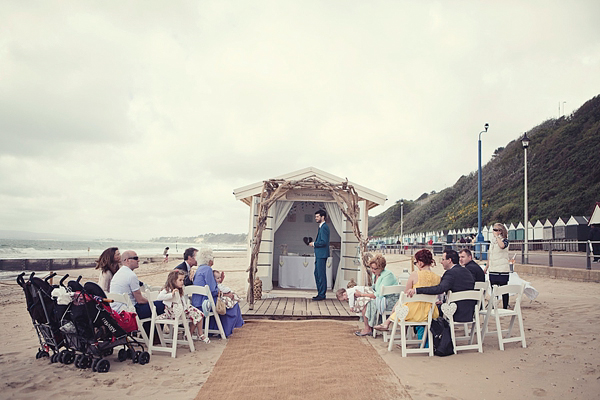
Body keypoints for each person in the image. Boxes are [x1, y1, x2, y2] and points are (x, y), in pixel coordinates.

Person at [373, 249, 441, 338]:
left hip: (414, 312)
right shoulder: (437, 277)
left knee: (402, 303)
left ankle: (389, 325)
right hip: (430, 312)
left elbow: (405, 295)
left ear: (420, 263)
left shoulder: (415, 274)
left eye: (415, 263)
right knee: (404, 304)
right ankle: (387, 323)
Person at [407, 249, 475, 322]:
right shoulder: (467, 271)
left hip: (454, 312)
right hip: (469, 312)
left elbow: (440, 289)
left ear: (449, 260)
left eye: (443, 259)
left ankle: (424, 332)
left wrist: (417, 290)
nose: (441, 262)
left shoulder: (450, 273)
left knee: (426, 310)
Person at [191, 248, 244, 337]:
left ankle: (217, 328)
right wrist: (225, 294)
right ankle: (229, 328)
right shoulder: (207, 269)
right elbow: (213, 290)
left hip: (197, 302)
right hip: (206, 302)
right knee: (233, 302)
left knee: (230, 298)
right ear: (210, 260)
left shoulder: (199, 269)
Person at [109, 250, 165, 334]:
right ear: (126, 260)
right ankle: (154, 335)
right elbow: (140, 300)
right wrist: (153, 300)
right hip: (130, 311)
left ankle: (149, 333)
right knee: (162, 304)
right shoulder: (131, 275)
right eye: (135, 258)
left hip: (117, 310)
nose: (138, 260)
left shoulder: (119, 273)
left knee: (150, 306)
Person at [156, 270, 210, 343]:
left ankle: (191, 334)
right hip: (173, 313)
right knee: (197, 315)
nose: (182, 282)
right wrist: (171, 294)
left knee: (197, 315)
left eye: (183, 280)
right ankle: (198, 334)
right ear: (173, 280)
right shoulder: (168, 289)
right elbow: (159, 297)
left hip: (182, 310)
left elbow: (183, 302)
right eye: (180, 280)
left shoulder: (181, 289)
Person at [354, 254, 399, 336]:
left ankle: (368, 329)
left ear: (381, 268)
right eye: (371, 268)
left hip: (391, 302)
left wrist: (361, 294)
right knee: (364, 300)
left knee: (366, 303)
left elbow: (377, 294)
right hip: (382, 298)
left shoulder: (388, 275)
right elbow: (374, 288)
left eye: (375, 268)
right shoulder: (377, 275)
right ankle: (369, 327)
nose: (372, 270)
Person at [484, 223, 510, 309]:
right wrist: (486, 267)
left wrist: (498, 237)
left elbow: (502, 246)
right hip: (493, 269)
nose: (494, 231)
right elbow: (490, 256)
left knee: (504, 289)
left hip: (502, 270)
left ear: (500, 231)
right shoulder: (492, 242)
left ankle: (505, 306)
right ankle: (494, 305)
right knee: (494, 290)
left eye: (496, 230)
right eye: (494, 229)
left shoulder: (505, 240)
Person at [309, 210, 330, 301]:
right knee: (317, 273)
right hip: (319, 254)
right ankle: (320, 293)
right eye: (316, 216)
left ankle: (322, 294)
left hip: (322, 255)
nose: (316, 218)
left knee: (320, 274)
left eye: (317, 216)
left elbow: (324, 242)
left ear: (323, 217)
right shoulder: (321, 227)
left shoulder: (324, 227)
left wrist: (314, 244)